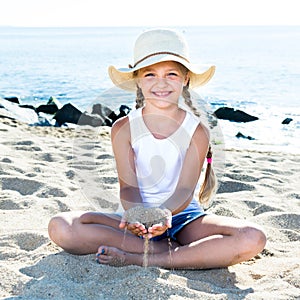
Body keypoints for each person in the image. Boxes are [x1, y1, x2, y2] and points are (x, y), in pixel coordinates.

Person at [48, 28, 266, 269]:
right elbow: (128, 187)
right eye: (150, 74)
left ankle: (149, 257)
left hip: (183, 218)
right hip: (133, 218)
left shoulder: (197, 131)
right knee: (61, 226)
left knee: (252, 237)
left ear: (185, 79)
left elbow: (184, 189)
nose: (160, 83)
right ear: (138, 80)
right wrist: (137, 216)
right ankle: (163, 249)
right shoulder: (124, 128)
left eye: (171, 74)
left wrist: (164, 215)